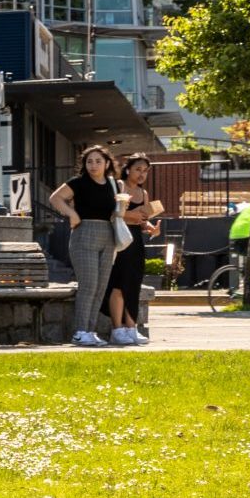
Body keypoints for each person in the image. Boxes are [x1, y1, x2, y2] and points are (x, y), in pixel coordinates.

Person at [49, 145, 122, 347]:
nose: (93, 165)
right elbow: (55, 198)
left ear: (107, 163)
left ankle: (90, 331)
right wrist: (72, 214)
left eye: (98, 161)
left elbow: (116, 213)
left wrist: (122, 207)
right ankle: (80, 332)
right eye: (89, 161)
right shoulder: (78, 183)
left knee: (100, 287)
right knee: (88, 285)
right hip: (83, 235)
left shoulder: (113, 184)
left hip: (108, 235)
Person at [101, 153, 159, 346]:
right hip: (119, 241)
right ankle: (117, 330)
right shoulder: (119, 186)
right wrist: (131, 215)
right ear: (128, 170)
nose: (142, 174)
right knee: (118, 285)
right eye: (138, 169)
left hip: (136, 242)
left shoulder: (144, 194)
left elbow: (142, 220)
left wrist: (150, 227)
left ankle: (131, 328)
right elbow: (111, 214)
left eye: (145, 171)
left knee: (133, 285)